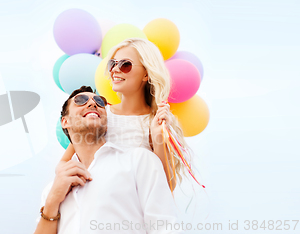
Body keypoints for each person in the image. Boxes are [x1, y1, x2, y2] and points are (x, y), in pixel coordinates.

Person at [34, 87, 181, 234]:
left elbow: (165, 227)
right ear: (65, 122)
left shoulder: (140, 161)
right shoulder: (51, 190)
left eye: (99, 101)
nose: (92, 104)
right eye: (81, 101)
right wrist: (52, 201)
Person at [57, 38, 189, 190]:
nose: (114, 70)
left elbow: (165, 189)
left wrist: (158, 137)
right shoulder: (100, 114)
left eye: (125, 65)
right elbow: (63, 163)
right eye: (112, 63)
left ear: (146, 74)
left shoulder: (157, 123)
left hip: (130, 210)